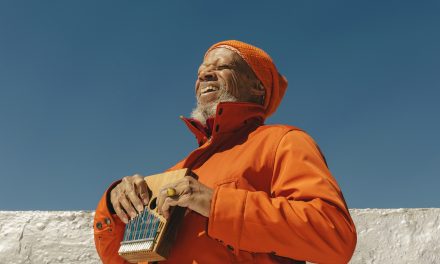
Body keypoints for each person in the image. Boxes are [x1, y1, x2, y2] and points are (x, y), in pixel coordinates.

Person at [93, 40, 357, 264]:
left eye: (221, 68)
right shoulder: (174, 172)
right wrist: (113, 209)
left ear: (257, 87)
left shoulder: (283, 141)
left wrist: (216, 205)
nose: (205, 75)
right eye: (200, 72)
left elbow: (334, 236)